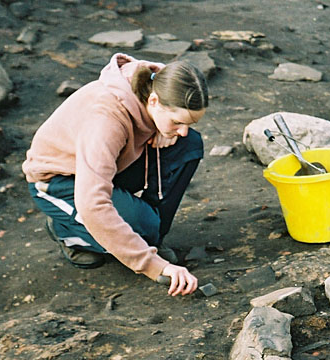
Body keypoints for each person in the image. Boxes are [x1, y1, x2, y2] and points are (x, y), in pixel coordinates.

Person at [22, 53, 208, 296]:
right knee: (139, 229)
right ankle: (66, 231)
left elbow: (171, 84)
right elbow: (93, 204)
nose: (182, 130)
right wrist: (153, 266)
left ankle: (149, 234)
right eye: (177, 122)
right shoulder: (105, 120)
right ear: (153, 101)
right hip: (60, 180)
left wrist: (162, 128)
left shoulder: (161, 86)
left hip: (110, 164)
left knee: (188, 145)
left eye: (188, 123)